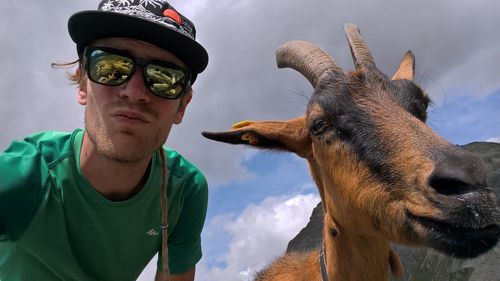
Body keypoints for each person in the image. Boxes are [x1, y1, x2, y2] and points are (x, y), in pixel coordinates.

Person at [0, 1, 209, 280]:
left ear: (182, 106)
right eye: (111, 66)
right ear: (83, 83)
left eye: (165, 77)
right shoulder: (22, 179)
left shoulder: (183, 192)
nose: (134, 92)